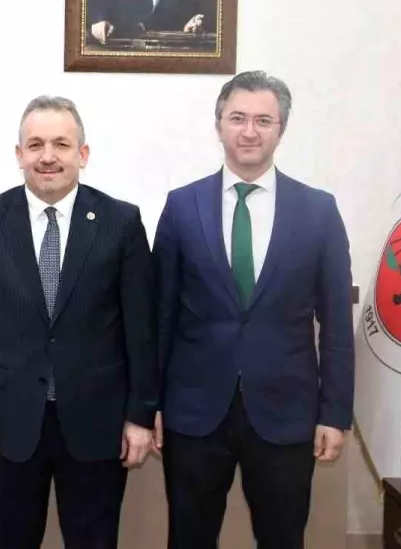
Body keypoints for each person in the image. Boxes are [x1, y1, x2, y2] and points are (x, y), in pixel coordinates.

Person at [151, 71, 354, 549]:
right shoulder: (182, 207)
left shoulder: (318, 211)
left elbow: (336, 325)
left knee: (282, 539)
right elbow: (159, 318)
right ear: (218, 125)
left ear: (282, 129)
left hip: (286, 414)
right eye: (237, 118)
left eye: (264, 120)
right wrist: (150, 404)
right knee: (189, 538)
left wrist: (335, 413)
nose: (249, 131)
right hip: (194, 413)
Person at [0, 96, 157, 549]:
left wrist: (140, 417)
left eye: (61, 144)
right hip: (7, 426)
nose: (48, 156)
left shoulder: (121, 221)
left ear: (83, 154)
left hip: (97, 424)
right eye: (36, 145)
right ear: (19, 154)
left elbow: (141, 330)